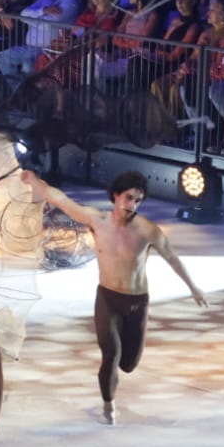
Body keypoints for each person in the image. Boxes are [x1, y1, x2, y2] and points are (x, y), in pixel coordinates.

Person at [19, 170, 209, 424]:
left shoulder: (147, 230)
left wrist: (193, 287)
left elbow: (171, 257)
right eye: (129, 198)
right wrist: (33, 181)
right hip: (108, 298)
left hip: (137, 301)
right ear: (116, 196)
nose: (132, 205)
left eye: (138, 201)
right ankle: (108, 405)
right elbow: (61, 200)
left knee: (128, 364)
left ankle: (118, 380)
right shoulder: (97, 221)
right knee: (111, 354)